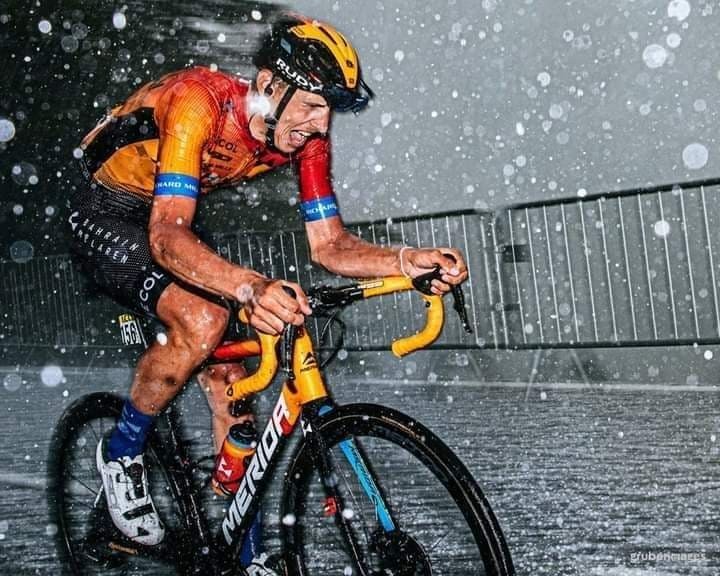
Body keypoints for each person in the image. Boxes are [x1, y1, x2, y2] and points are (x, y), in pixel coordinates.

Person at [67, 12, 468, 575]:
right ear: (268, 86)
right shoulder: (198, 102)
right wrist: (250, 287)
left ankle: (244, 554)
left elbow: (330, 245)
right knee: (203, 320)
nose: (321, 124)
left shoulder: (304, 137)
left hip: (169, 214)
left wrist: (406, 261)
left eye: (330, 110)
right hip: (106, 211)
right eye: (313, 105)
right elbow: (165, 239)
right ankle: (121, 452)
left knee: (234, 379)